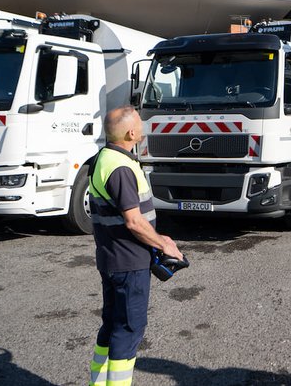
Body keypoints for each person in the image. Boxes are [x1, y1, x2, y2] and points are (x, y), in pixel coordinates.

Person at [87, 105, 182, 386]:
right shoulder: (120, 168)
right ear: (131, 132)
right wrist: (166, 246)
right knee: (129, 329)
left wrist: (160, 239)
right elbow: (133, 222)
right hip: (128, 263)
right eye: (140, 124)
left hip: (111, 258)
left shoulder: (103, 158)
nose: (143, 127)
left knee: (112, 326)